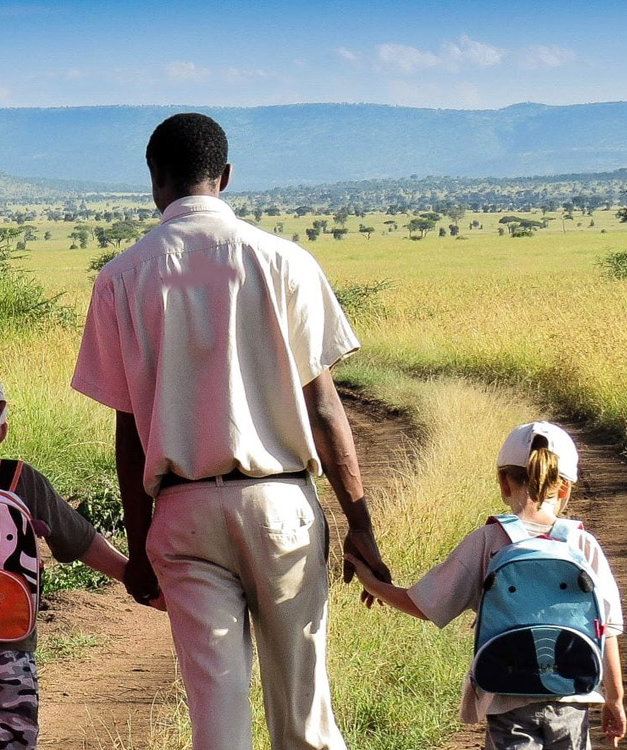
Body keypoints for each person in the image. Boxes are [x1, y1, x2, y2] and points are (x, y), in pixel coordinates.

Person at [71, 112, 390, 750]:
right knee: (304, 717)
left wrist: (139, 550)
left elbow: (128, 432)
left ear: (154, 181)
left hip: (183, 514)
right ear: (226, 176)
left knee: (218, 726)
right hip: (281, 506)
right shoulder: (285, 261)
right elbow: (325, 407)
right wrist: (360, 526)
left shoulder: (121, 278)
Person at [347, 422, 627, 750]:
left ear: (504, 483)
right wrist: (615, 699)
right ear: (564, 489)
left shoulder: (488, 541)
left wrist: (370, 580)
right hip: (571, 697)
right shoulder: (583, 544)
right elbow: (606, 629)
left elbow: (422, 605)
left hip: (506, 695)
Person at [0, 365, 129, 750]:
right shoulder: (24, 481)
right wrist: (133, 577)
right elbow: (82, 541)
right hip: (7, 662)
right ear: (1, 431)